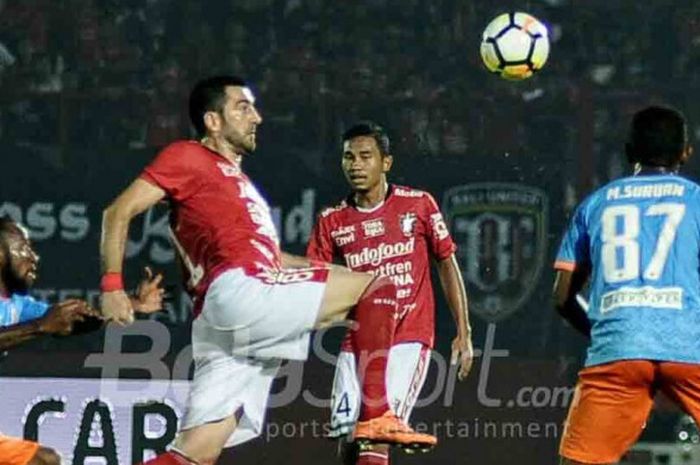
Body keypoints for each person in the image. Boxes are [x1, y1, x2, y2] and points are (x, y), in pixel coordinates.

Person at [99, 75, 437, 465]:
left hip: (222, 319)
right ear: (212, 121)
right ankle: (378, 417)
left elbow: (269, 257)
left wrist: (328, 272)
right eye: (243, 107)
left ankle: (375, 428)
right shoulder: (188, 156)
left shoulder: (236, 185)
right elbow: (117, 212)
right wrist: (112, 286)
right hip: (243, 293)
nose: (256, 117)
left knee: (195, 454)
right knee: (378, 287)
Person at [307, 121, 473, 465]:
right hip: (357, 343)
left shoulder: (419, 205)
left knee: (377, 437)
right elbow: (314, 281)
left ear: (386, 162)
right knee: (350, 440)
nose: (355, 165)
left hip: (407, 340)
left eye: (365, 156)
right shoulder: (332, 220)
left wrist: (464, 330)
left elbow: (446, 262)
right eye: (349, 157)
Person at [553, 106, 700, 465]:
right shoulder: (696, 199)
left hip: (618, 347)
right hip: (689, 347)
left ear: (628, 151)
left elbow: (562, 297)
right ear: (686, 152)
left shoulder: (596, 204)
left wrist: (609, 330)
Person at [0, 216, 163, 465]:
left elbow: (69, 321)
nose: (34, 257)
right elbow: (44, 324)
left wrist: (132, 304)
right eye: (23, 247)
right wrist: (39, 327)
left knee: (45, 461)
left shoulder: (15, 305)